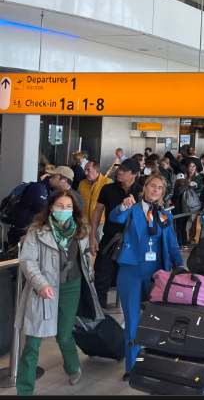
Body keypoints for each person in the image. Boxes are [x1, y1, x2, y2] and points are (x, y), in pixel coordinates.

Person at [15, 190, 101, 395]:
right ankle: (24, 390)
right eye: (60, 206)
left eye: (68, 207)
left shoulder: (80, 230)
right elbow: (27, 261)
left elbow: (86, 256)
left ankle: (72, 367)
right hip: (43, 289)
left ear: (74, 210)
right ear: (51, 208)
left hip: (71, 287)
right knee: (33, 341)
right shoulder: (37, 231)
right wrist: (40, 284)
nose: (64, 210)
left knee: (64, 334)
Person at [108, 174, 183, 379]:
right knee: (132, 321)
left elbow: (172, 244)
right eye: (152, 186)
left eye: (160, 188)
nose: (155, 190)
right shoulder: (131, 209)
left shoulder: (164, 216)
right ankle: (133, 368)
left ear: (163, 192)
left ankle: (153, 362)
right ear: (145, 188)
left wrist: (181, 265)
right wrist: (123, 205)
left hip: (156, 274)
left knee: (156, 320)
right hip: (131, 272)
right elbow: (115, 217)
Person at [90, 158, 143, 308]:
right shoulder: (108, 189)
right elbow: (97, 213)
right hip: (110, 239)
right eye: (119, 168)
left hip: (133, 242)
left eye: (124, 170)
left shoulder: (142, 191)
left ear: (134, 174)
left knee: (129, 278)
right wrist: (92, 236)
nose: (119, 172)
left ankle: (127, 308)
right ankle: (99, 311)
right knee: (101, 275)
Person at [78, 161, 112, 237]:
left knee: (98, 245)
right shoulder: (82, 183)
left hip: (100, 222)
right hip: (85, 222)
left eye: (88, 170)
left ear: (97, 170)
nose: (85, 173)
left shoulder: (107, 183)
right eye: (85, 170)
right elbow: (79, 201)